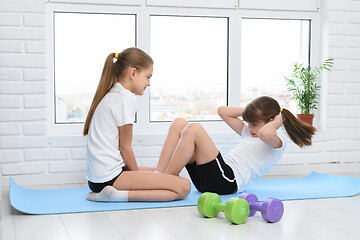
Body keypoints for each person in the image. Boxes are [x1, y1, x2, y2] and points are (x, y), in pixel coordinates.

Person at [83, 47, 190, 202]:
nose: (149, 83)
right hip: (110, 179)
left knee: (165, 174)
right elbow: (125, 147)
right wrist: (138, 177)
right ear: (133, 73)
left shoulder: (114, 93)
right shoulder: (126, 97)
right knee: (183, 187)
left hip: (98, 180)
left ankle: (110, 193)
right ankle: (114, 196)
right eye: (148, 77)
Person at [155, 96, 316, 194]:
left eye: (254, 124)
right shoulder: (249, 131)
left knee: (194, 129)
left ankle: (166, 181)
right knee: (179, 123)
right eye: (249, 123)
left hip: (228, 181)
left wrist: (280, 118)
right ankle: (158, 174)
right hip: (210, 179)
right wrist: (251, 111)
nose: (250, 128)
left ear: (272, 121)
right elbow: (222, 111)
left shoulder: (276, 143)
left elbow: (265, 133)